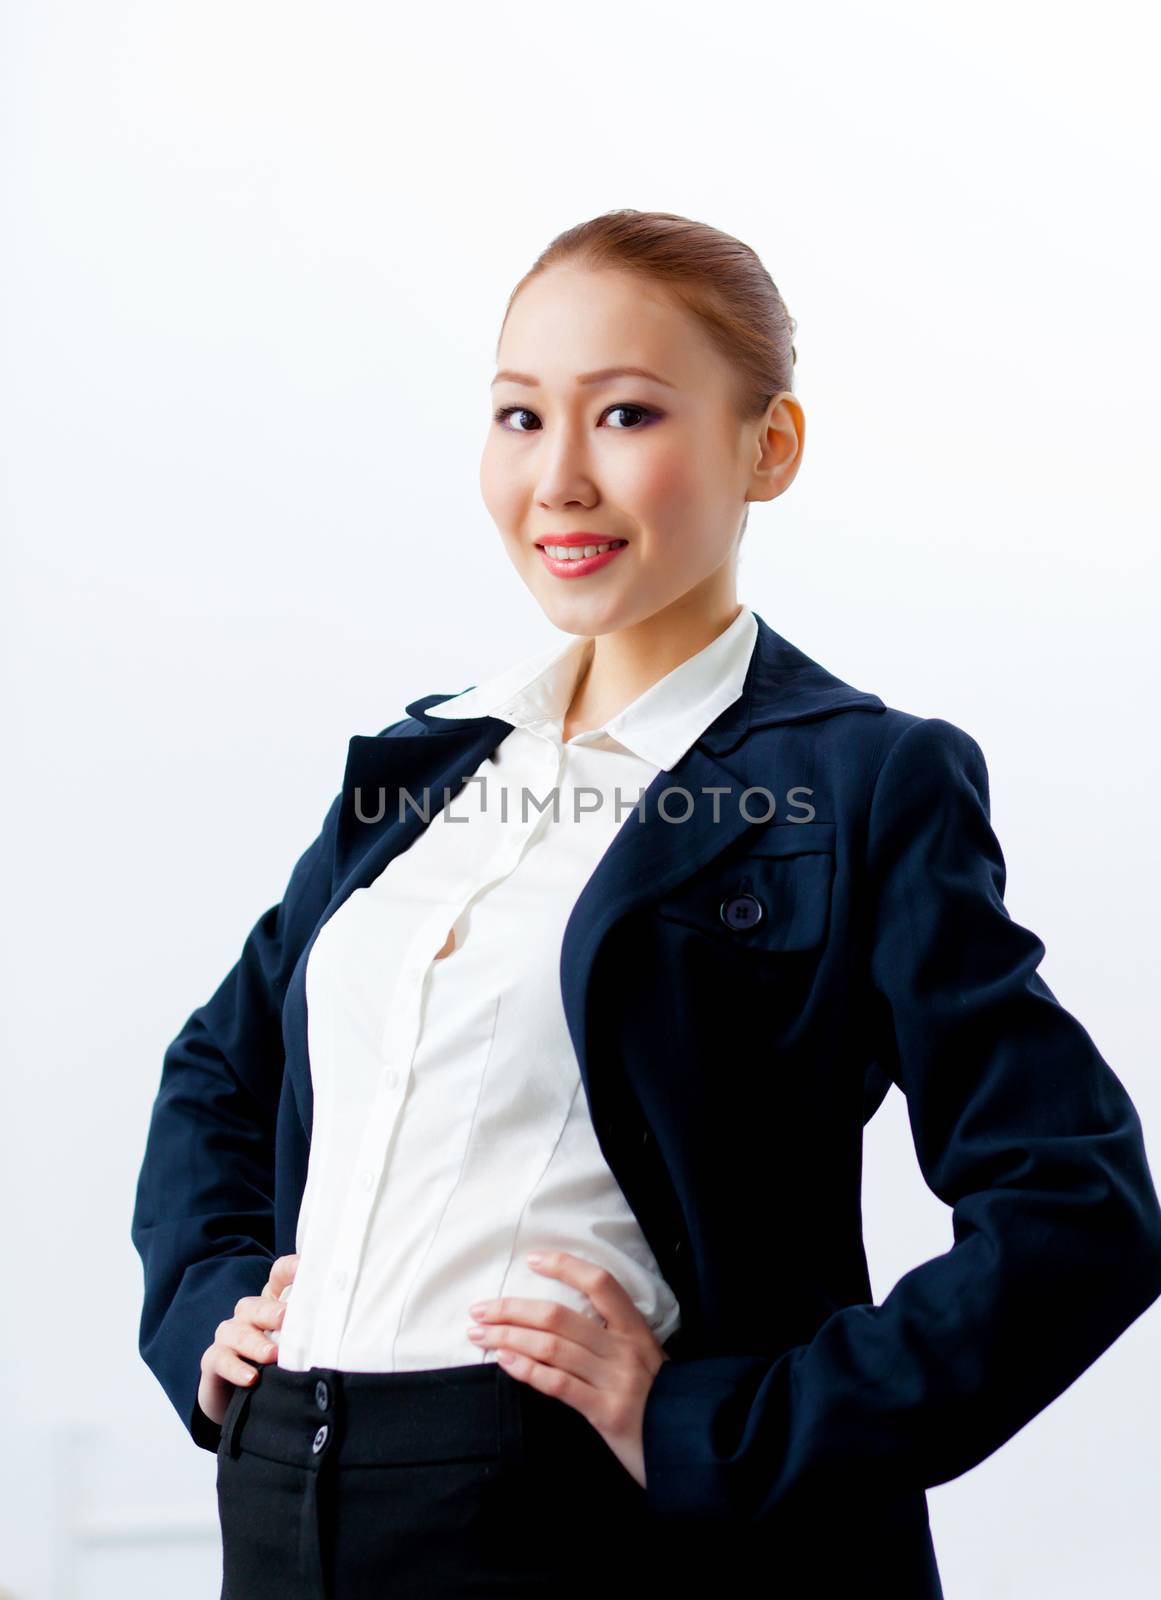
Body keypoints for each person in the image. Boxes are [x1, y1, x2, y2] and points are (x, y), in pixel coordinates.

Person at [131, 209, 1161, 1599]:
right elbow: (219, 1067)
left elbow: (1075, 1211)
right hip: (283, 1500)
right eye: (516, 416)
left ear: (767, 447)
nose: (557, 478)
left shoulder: (859, 784)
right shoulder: (421, 767)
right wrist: (205, 1306)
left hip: (584, 1524)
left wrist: (720, 1426)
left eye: (623, 414)